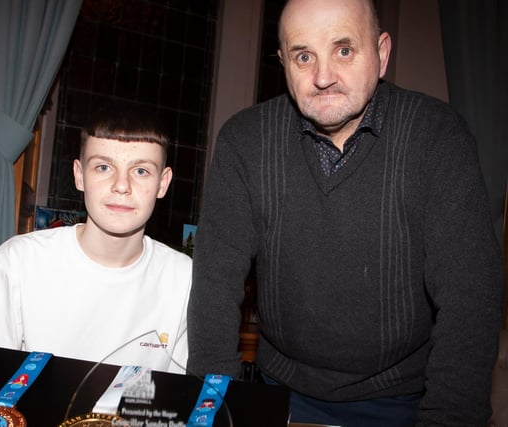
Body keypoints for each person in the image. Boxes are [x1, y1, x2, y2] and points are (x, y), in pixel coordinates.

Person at [186, 0, 505, 425]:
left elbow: (470, 297)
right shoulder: (244, 142)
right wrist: (212, 411)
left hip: (403, 401)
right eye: (303, 56)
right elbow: (214, 285)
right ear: (283, 63)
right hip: (276, 391)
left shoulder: (437, 137)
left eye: (344, 50)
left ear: (382, 53)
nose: (322, 77)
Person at [0, 105, 192, 374]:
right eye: (103, 167)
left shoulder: (184, 278)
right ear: (79, 175)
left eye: (141, 171)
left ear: (163, 183)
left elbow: (183, 394)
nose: (122, 185)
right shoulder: (18, 261)